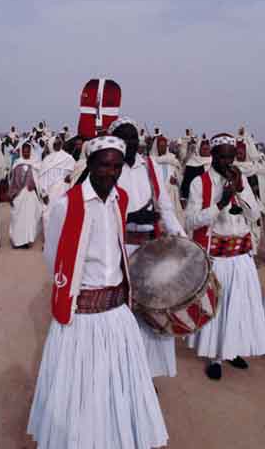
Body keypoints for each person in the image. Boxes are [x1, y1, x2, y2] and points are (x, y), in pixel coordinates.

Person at [27, 135, 167, 449]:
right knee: (82, 392)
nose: (111, 172)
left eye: (117, 166)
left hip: (117, 315)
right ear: (89, 164)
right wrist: (81, 293)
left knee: (116, 389)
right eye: (104, 165)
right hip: (82, 317)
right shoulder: (67, 204)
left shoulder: (122, 200)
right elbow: (54, 260)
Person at [109, 117, 188, 380]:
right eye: (123, 137)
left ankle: (145, 375)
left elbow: (165, 206)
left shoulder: (150, 166)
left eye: (133, 137)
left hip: (149, 251)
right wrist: (131, 218)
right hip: (117, 252)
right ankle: (120, 374)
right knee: (121, 314)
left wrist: (181, 238)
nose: (130, 142)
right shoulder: (108, 168)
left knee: (152, 314)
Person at [185, 133, 265, 380]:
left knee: (239, 306)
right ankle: (215, 356)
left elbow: (255, 216)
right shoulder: (199, 183)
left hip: (241, 254)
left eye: (230, 157)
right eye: (222, 156)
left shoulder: (241, 179)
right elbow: (190, 220)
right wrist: (219, 204)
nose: (227, 162)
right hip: (216, 255)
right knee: (217, 307)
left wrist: (240, 191)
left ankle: (233, 349)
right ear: (213, 155)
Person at [8, 141, 43, 249]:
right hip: (19, 196)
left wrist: (36, 187)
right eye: (24, 151)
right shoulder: (17, 163)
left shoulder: (36, 164)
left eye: (28, 151)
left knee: (30, 219)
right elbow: (12, 180)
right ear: (22, 152)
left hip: (30, 196)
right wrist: (11, 194)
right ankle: (17, 241)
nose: (26, 153)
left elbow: (39, 180)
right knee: (17, 218)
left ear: (31, 152)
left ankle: (28, 240)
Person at [37, 137, 76, 230]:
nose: (57, 145)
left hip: (65, 191)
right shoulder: (47, 160)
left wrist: (70, 176)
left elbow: (75, 173)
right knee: (48, 216)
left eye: (59, 143)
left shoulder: (68, 158)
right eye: (55, 143)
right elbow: (42, 178)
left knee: (64, 215)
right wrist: (43, 194)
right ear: (51, 145)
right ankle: (49, 242)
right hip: (50, 193)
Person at [150, 134, 185, 227]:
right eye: (160, 146)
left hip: (172, 195)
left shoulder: (172, 160)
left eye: (164, 146)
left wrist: (176, 180)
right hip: (156, 195)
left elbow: (180, 177)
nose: (163, 148)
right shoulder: (152, 161)